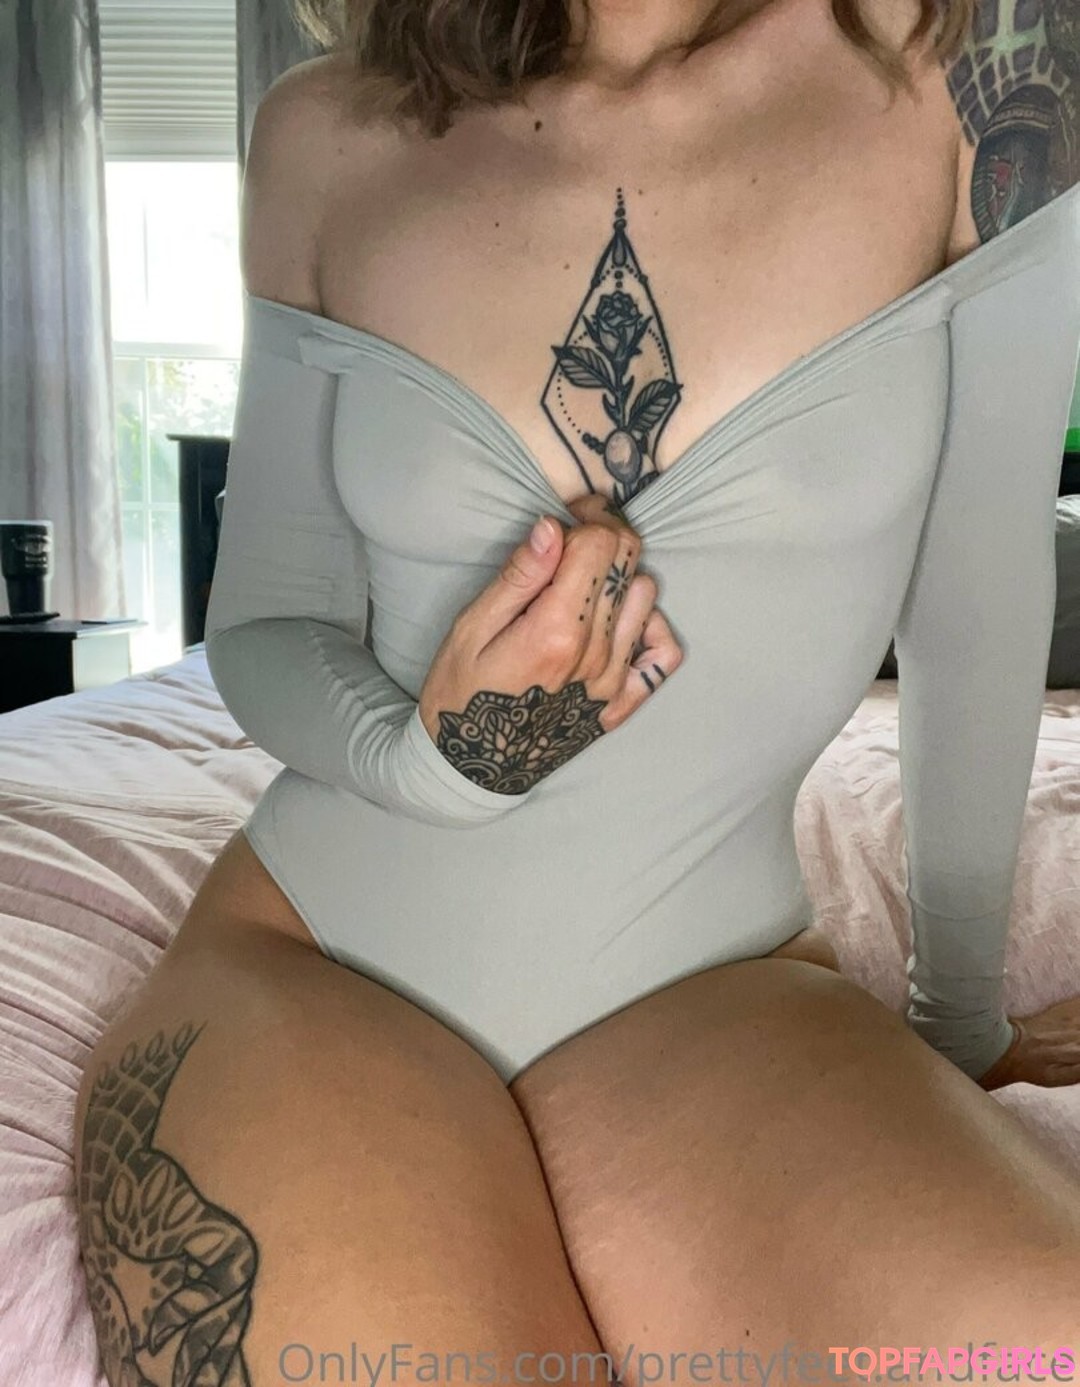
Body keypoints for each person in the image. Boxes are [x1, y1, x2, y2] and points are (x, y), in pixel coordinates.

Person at [75, 1, 1080, 1382]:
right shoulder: (324, 132)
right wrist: (438, 763)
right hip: (322, 960)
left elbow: (980, 590)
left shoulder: (981, 81)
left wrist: (956, 1019)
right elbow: (265, 618)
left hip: (710, 989)